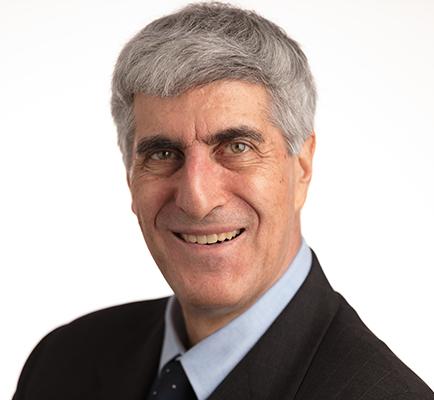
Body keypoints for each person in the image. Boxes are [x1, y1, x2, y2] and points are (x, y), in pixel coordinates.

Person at [13, 2, 433, 400]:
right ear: (130, 178)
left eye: (237, 147)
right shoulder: (61, 364)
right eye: (162, 154)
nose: (197, 199)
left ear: (301, 167)